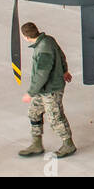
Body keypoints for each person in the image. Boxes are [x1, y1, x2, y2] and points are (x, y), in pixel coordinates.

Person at [18, 22, 76, 158]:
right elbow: (61, 55)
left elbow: (41, 74)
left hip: (51, 90)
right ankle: (36, 144)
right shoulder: (48, 40)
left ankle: (69, 145)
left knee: (55, 118)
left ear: (26, 37)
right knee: (34, 112)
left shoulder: (43, 49)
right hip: (43, 90)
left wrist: (30, 93)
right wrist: (65, 70)